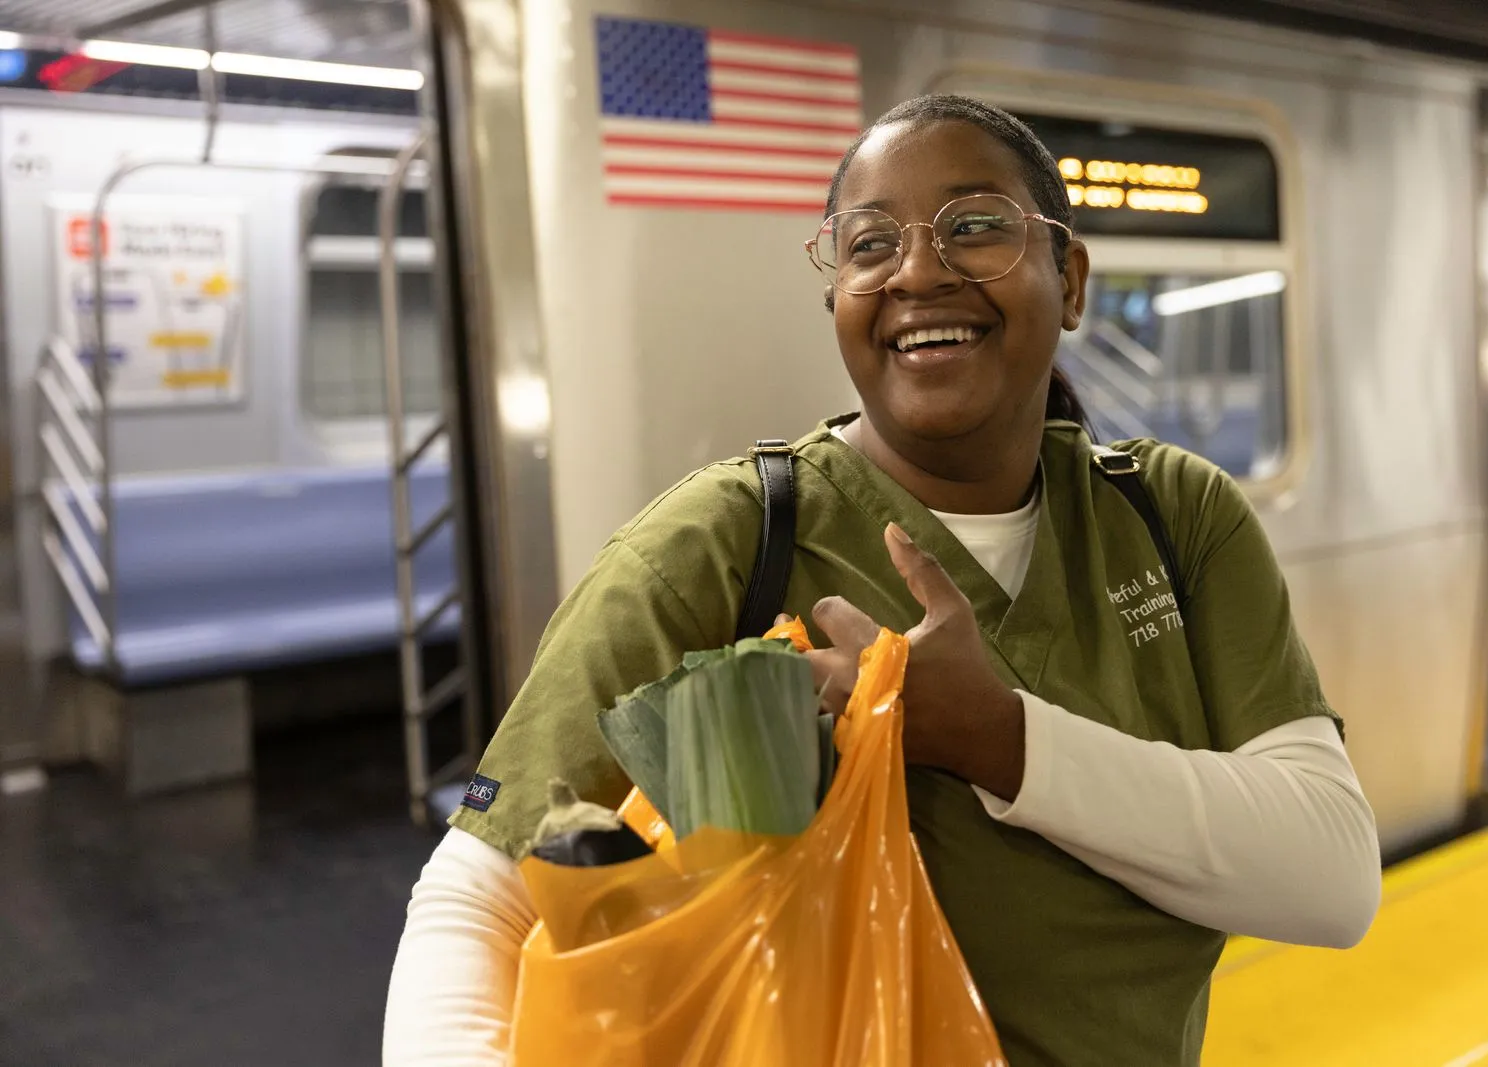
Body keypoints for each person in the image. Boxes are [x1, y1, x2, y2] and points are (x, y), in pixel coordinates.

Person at [383, 94, 1382, 1067]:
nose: (917, 271)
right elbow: (477, 897)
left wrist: (991, 733)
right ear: (839, 303)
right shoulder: (724, 545)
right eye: (869, 245)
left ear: (1069, 279)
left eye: (974, 227)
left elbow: (1330, 877)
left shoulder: (1170, 518)